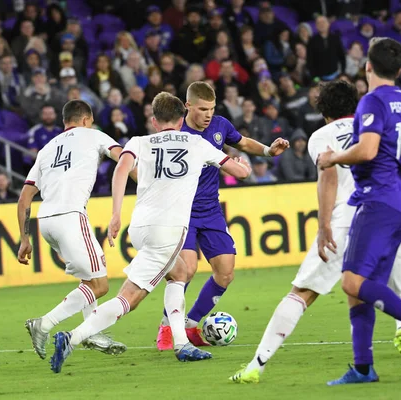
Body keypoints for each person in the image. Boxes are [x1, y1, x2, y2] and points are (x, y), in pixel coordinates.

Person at [230, 79, 401, 384]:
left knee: (302, 293)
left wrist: (324, 225)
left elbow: (329, 178)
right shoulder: (377, 128)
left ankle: (255, 366)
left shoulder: (321, 136)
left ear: (323, 110)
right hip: (388, 214)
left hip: (346, 219)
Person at [49, 92, 252, 372]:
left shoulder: (139, 142)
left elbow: (121, 169)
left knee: (180, 273)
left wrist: (116, 214)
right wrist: (242, 165)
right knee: (129, 298)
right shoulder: (196, 142)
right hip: (167, 231)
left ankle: (182, 344)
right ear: (182, 120)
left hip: (140, 227)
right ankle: (71, 338)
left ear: (154, 121)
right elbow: (239, 174)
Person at [317, 37, 401, 385]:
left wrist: (334, 157)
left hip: (377, 199)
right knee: (362, 286)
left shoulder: (372, 101)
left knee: (351, 281)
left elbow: (368, 150)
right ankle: (362, 367)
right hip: (400, 201)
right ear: (400, 70)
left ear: (367, 66)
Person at [155, 81, 290, 350]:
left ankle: (191, 324)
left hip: (211, 210)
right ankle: (168, 327)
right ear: (187, 106)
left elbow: (241, 142)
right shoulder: (175, 130)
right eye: (203, 109)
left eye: (212, 108)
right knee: (187, 269)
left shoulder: (220, 125)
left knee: (225, 272)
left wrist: (267, 150)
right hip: (182, 212)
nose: (208, 114)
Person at [18, 100, 129, 362]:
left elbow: (25, 197)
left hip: (46, 221)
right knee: (100, 285)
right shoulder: (94, 135)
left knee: (88, 279)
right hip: (70, 216)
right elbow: (124, 158)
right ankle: (43, 324)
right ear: (86, 120)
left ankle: (92, 331)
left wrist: (24, 239)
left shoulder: (46, 148)